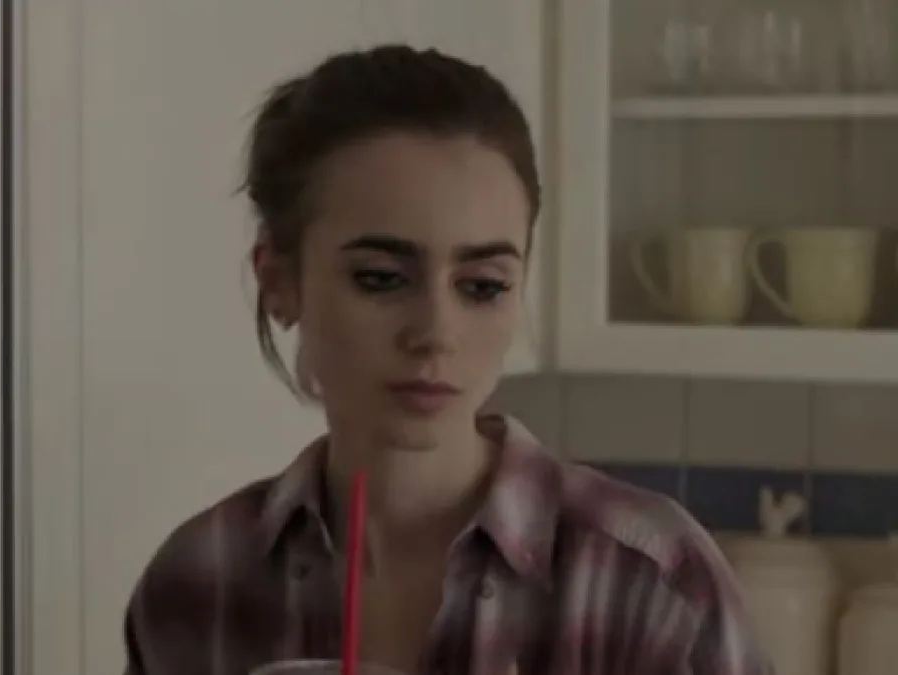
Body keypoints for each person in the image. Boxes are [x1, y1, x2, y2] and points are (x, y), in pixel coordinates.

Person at [123, 45, 770, 675]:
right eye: (380, 278)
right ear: (279, 281)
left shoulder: (652, 586)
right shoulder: (199, 581)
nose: (436, 333)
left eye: (482, 286)